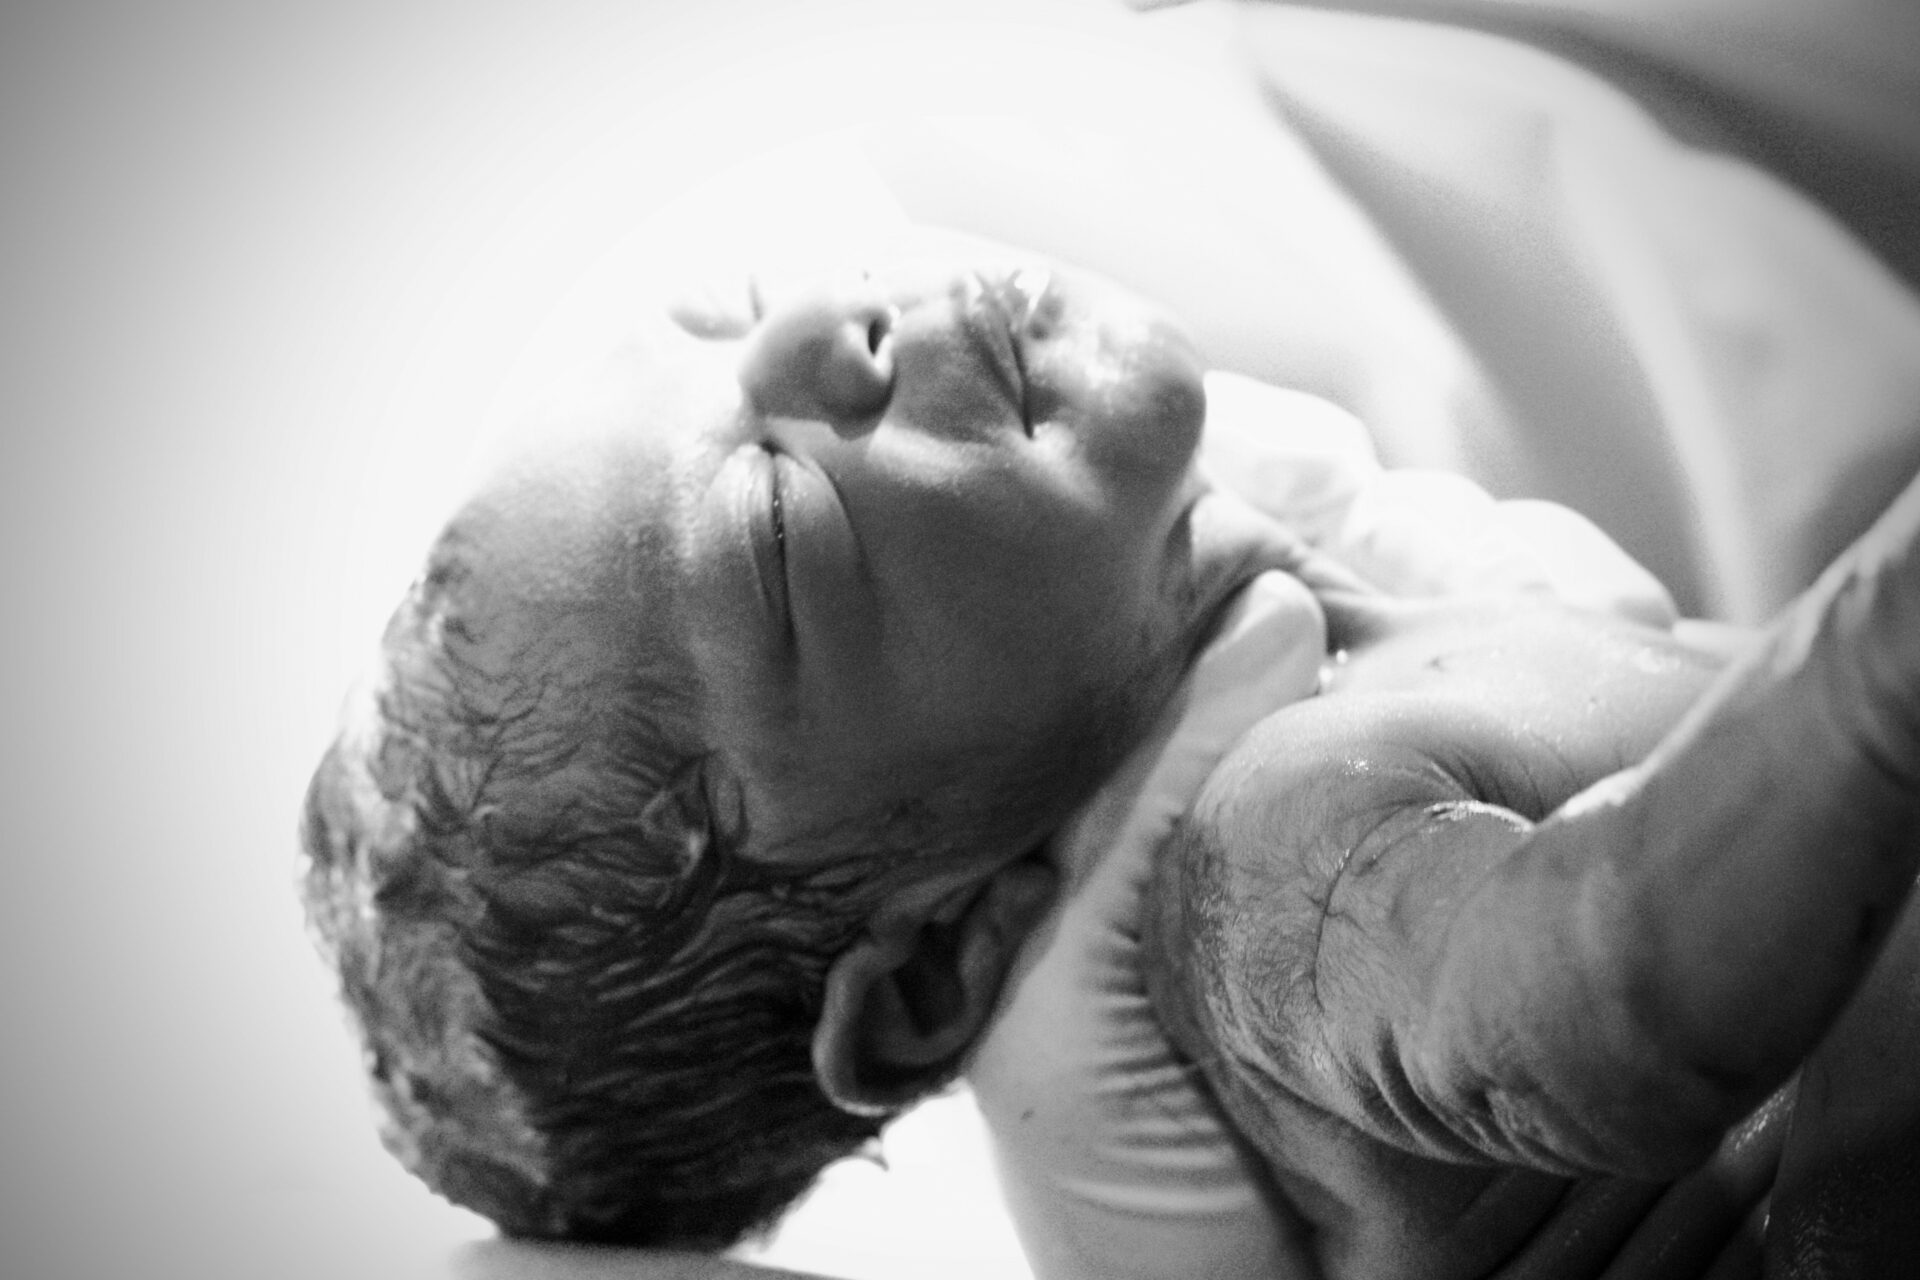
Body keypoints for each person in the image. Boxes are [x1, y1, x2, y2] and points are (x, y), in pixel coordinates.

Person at [302, 228, 1919, 1273]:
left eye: (726, 313)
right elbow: (1613, 993)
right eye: (778, 520)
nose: (815, 326)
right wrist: (1882, 655)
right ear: (938, 966)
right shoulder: (1261, 864)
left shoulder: (1361, 626)